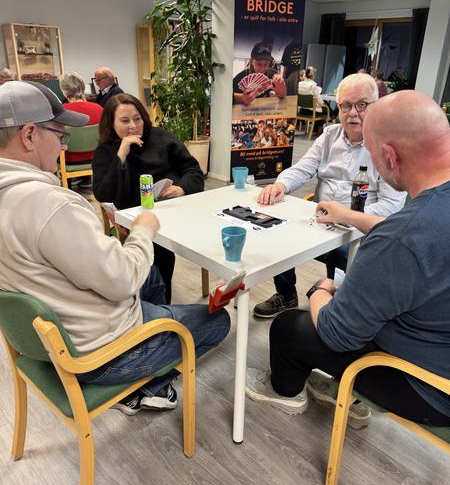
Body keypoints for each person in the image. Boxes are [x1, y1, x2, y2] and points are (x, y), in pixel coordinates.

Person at [0, 81, 229, 416]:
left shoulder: (19, 199)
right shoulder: (51, 205)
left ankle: (149, 361)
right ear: (30, 135)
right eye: (61, 136)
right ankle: (144, 381)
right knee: (218, 320)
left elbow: (191, 171)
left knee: (152, 276)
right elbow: (122, 280)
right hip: (99, 351)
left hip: (56, 332)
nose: (64, 147)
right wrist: (143, 230)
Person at [246, 90, 450, 429]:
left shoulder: (399, 239)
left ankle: (284, 391)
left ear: (389, 156)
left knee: (288, 326)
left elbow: (336, 332)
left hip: (430, 389)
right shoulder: (419, 222)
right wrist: (347, 215)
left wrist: (320, 290)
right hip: (435, 346)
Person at [253, 73, 406, 318]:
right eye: (346, 105)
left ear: (375, 106)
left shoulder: (387, 148)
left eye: (362, 105)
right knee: (277, 230)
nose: (353, 113)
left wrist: (347, 216)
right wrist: (280, 185)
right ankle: (286, 295)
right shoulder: (329, 136)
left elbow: (393, 205)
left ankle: (338, 304)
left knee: (339, 253)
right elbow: (303, 168)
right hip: (321, 219)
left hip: (360, 229)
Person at [92, 93, 204, 303]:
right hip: (136, 217)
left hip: (175, 208)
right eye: (125, 121)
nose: (133, 126)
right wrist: (121, 155)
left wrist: (181, 188)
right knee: (159, 251)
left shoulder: (162, 138)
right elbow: (103, 194)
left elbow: (193, 170)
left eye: (137, 119)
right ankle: (159, 305)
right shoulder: (105, 151)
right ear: (112, 124)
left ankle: (158, 303)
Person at [59, 71, 103, 170]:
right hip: (97, 159)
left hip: (68, 161)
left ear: (64, 92)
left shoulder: (60, 112)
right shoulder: (99, 109)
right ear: (83, 88)